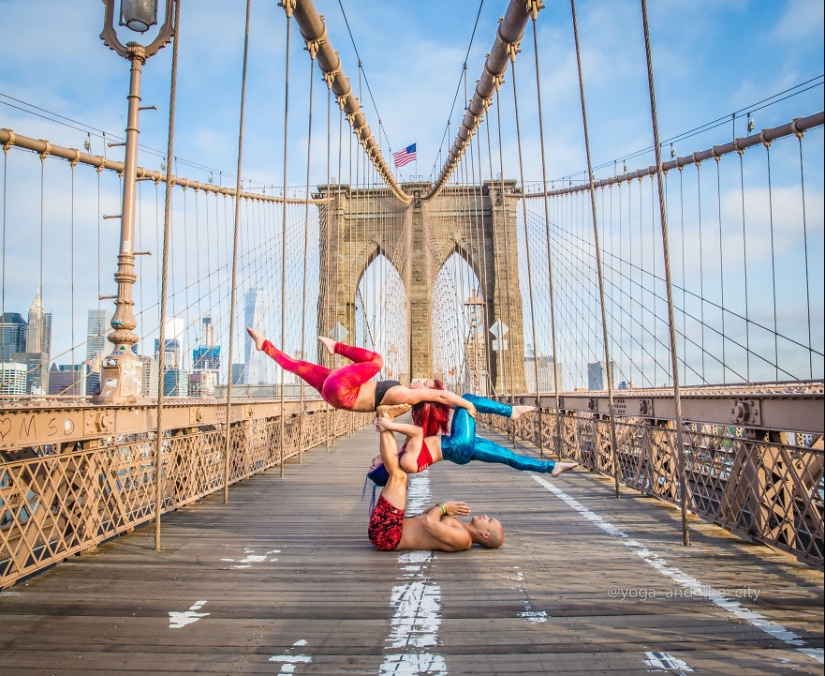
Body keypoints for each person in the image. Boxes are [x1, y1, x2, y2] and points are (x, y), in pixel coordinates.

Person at [246, 327, 476, 417]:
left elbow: (441, 397)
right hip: (333, 395)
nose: (421, 382)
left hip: (342, 389)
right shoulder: (403, 400)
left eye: (426, 384)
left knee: (377, 361)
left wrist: (467, 405)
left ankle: (335, 346)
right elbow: (444, 401)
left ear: (426, 396)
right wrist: (460, 404)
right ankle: (265, 345)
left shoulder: (409, 397)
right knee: (299, 366)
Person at [368, 404, 505, 552]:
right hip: (392, 527)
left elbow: (429, 523)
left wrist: (444, 508)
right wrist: (441, 508)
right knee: (400, 473)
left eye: (489, 520)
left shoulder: (463, 539)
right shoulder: (458, 524)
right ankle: (385, 417)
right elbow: (425, 515)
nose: (486, 516)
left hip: (387, 536)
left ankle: (384, 418)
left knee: (398, 475)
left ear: (485, 534)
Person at [367, 393, 578, 485]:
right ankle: (510, 411)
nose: (372, 461)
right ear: (381, 467)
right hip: (458, 445)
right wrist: (390, 426)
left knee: (509, 457)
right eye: (372, 466)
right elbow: (418, 433)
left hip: (460, 451)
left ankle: (552, 467)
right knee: (466, 400)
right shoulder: (405, 462)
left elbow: (419, 431)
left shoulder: (404, 458)